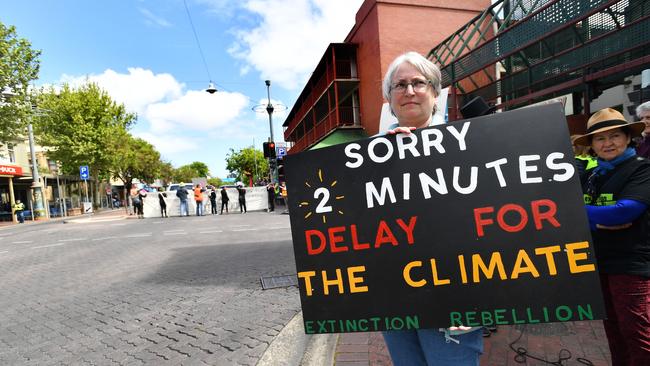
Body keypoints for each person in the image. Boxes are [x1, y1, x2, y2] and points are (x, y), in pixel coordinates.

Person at [379, 51, 483, 366]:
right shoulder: (370, 155)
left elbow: (488, 221)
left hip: (455, 294)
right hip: (395, 295)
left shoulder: (469, 145)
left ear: (435, 93)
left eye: (418, 83)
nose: (409, 91)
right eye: (399, 85)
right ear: (390, 98)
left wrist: (484, 298)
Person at [573, 107, 650, 365]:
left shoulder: (641, 169)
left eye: (615, 136)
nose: (608, 143)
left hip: (630, 265)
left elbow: (625, 212)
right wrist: (595, 221)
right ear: (592, 145)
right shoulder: (595, 173)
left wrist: (572, 211)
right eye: (600, 138)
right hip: (599, 263)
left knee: (637, 333)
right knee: (614, 331)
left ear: (628, 138)